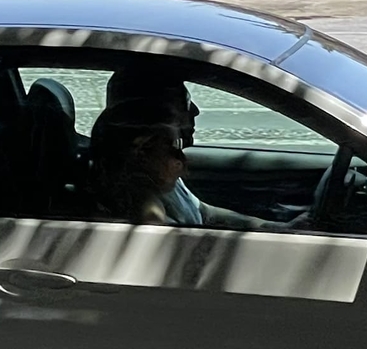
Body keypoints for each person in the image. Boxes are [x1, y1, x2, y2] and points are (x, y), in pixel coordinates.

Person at [85, 59, 261, 228]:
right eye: (183, 100)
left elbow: (203, 212)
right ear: (142, 149)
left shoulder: (157, 176)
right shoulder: (144, 204)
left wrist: (272, 227)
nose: (195, 110)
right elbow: (157, 229)